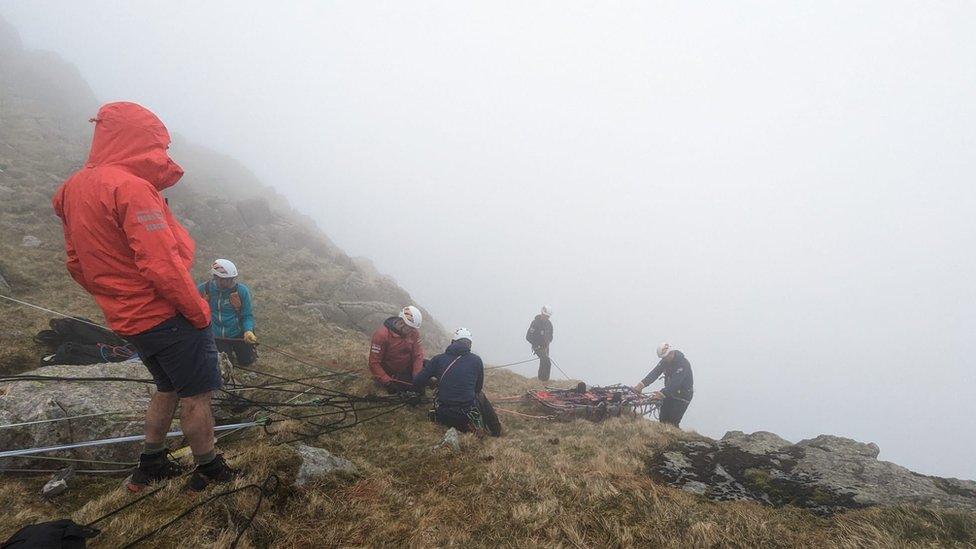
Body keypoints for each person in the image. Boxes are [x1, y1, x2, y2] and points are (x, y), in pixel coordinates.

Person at [52, 102, 235, 492]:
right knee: (197, 396)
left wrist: (117, 299)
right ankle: (210, 471)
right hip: (166, 315)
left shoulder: (73, 189)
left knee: (166, 388)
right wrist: (198, 312)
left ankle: (149, 464)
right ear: (140, 138)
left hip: (129, 320)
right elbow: (161, 264)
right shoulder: (131, 188)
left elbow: (76, 264)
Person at [413, 328, 501, 436]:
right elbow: (477, 389)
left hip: (442, 416)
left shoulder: (438, 359)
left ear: (452, 342)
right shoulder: (476, 360)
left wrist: (432, 381)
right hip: (465, 418)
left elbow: (417, 381)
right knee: (481, 396)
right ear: (469, 345)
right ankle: (496, 431)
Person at [198, 258, 257, 366]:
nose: (230, 282)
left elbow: (247, 315)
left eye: (231, 279)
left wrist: (248, 330)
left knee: (247, 361)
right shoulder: (203, 290)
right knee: (225, 365)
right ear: (216, 277)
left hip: (238, 334)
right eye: (226, 279)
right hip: (217, 337)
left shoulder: (241, 291)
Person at [633, 343, 694, 427]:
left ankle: (675, 438)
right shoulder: (665, 361)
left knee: (672, 421)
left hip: (683, 396)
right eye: (662, 358)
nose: (664, 359)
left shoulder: (683, 363)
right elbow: (655, 373)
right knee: (663, 419)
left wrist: (661, 393)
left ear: (671, 353)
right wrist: (641, 385)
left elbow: (675, 382)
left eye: (665, 357)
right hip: (669, 393)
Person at [368, 305, 425, 392]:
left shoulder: (414, 333)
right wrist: (387, 382)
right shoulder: (382, 335)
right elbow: (374, 363)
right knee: (409, 391)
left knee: (431, 365)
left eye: (412, 328)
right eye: (409, 327)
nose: (411, 330)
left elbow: (417, 355)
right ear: (401, 321)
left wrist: (417, 377)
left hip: (407, 366)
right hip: (391, 370)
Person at [525, 305, 554, 381]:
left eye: (548, 316)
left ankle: (543, 380)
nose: (546, 318)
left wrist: (548, 341)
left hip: (546, 347)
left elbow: (551, 336)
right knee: (546, 361)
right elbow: (528, 336)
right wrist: (537, 344)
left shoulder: (549, 324)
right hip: (537, 346)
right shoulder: (535, 323)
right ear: (542, 313)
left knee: (545, 361)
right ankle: (543, 380)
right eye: (545, 316)